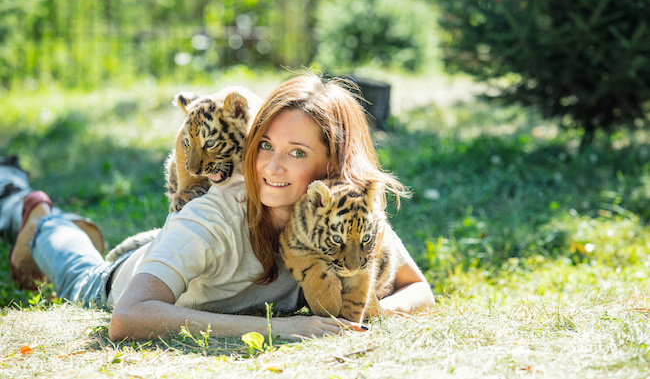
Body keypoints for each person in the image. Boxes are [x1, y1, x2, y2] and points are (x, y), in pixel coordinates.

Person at [7, 72, 435, 341]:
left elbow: (418, 289)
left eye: (297, 153)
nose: (271, 165)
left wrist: (362, 316)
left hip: (183, 256)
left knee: (166, 243)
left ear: (333, 165)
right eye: (265, 145)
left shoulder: (339, 210)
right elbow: (128, 317)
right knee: (79, 269)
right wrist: (282, 329)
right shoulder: (216, 213)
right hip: (114, 286)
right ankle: (39, 216)